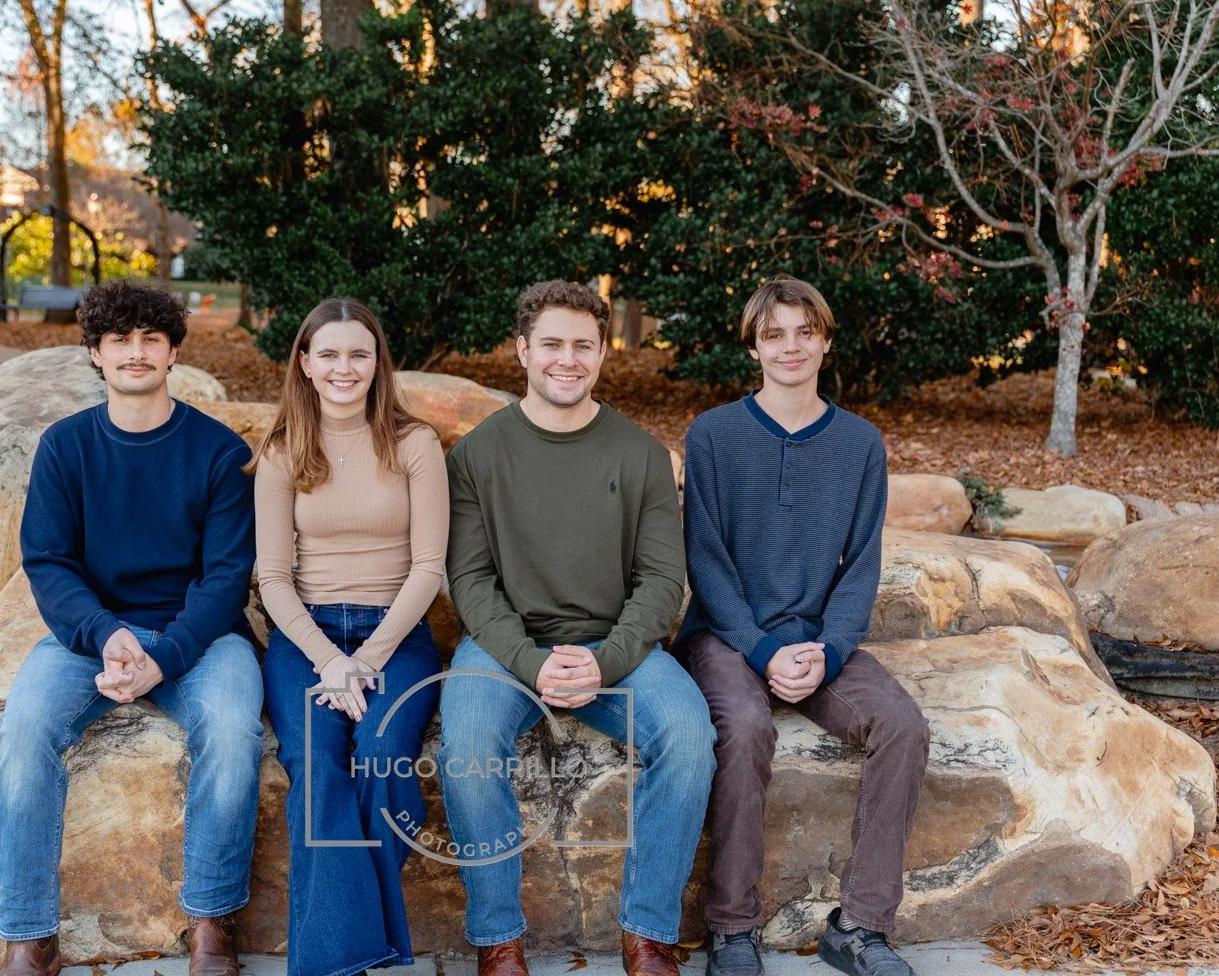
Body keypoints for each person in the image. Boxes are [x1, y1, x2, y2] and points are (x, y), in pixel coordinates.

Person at [438, 280, 717, 976]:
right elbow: (470, 580)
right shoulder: (476, 455)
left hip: (616, 647)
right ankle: (498, 940)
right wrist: (532, 665)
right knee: (466, 744)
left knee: (689, 738)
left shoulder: (641, 454)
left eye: (583, 346)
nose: (568, 359)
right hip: (508, 649)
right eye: (553, 345)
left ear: (602, 353)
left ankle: (648, 933)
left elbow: (661, 581)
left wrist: (609, 661)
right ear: (523, 351)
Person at [0, 280, 262, 976]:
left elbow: (226, 578)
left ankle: (211, 924)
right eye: (120, 340)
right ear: (95, 353)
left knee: (233, 731)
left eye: (151, 339)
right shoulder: (65, 447)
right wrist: (105, 635)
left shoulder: (219, 453)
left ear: (173, 351)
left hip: (199, 640)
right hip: (90, 637)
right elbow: (48, 562)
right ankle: (30, 934)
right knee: (24, 729)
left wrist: (163, 657)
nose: (136, 353)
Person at [676, 276, 930, 976]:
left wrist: (830, 649)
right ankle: (731, 929)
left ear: (825, 340)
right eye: (774, 334)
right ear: (754, 348)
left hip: (820, 639)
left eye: (804, 332)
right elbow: (707, 559)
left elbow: (861, 566)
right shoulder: (714, 436)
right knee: (747, 727)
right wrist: (761, 649)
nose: (791, 346)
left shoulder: (859, 444)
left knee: (903, 726)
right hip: (727, 637)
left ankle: (859, 927)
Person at [253, 298, 448, 976]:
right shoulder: (282, 450)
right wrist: (329, 661)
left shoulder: (415, 443)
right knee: (315, 765)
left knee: (382, 754)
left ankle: (337, 955)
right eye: (328, 354)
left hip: (396, 637)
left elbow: (429, 567)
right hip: (307, 640)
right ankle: (357, 954)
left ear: (378, 363)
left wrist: (364, 660)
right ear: (304, 364)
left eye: (358, 354)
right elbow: (272, 578)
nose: (344, 368)